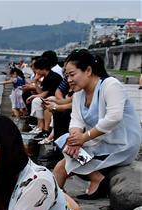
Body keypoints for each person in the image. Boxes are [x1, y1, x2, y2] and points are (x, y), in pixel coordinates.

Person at [53, 49, 142, 199]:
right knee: (64, 153)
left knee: (62, 165)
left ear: (88, 70)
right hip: (100, 142)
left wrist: (84, 137)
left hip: (122, 144)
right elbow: (76, 120)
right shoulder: (79, 94)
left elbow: (114, 117)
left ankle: (61, 197)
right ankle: (63, 196)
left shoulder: (110, 85)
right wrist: (75, 139)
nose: (69, 80)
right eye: (67, 76)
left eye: (72, 74)